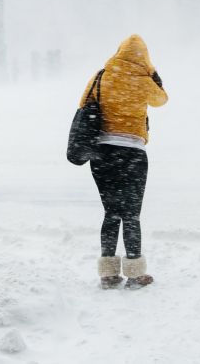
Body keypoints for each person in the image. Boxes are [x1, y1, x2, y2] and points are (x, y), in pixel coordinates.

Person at [78, 34, 168, 290]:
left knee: (111, 213)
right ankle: (135, 273)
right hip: (132, 154)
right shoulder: (142, 81)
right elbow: (161, 100)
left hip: (102, 154)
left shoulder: (102, 75)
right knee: (131, 215)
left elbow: (84, 103)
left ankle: (107, 274)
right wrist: (154, 76)